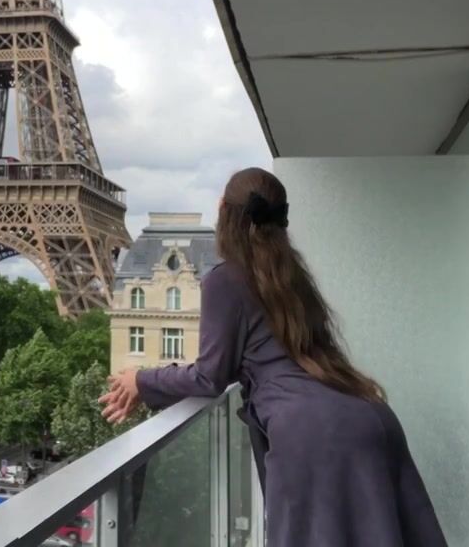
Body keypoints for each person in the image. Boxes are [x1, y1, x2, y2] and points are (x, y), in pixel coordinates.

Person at [99, 167, 447, 547]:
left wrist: (141, 379)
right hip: (370, 413)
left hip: (311, 434)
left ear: (223, 210)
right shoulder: (292, 275)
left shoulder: (225, 279)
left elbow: (209, 376)